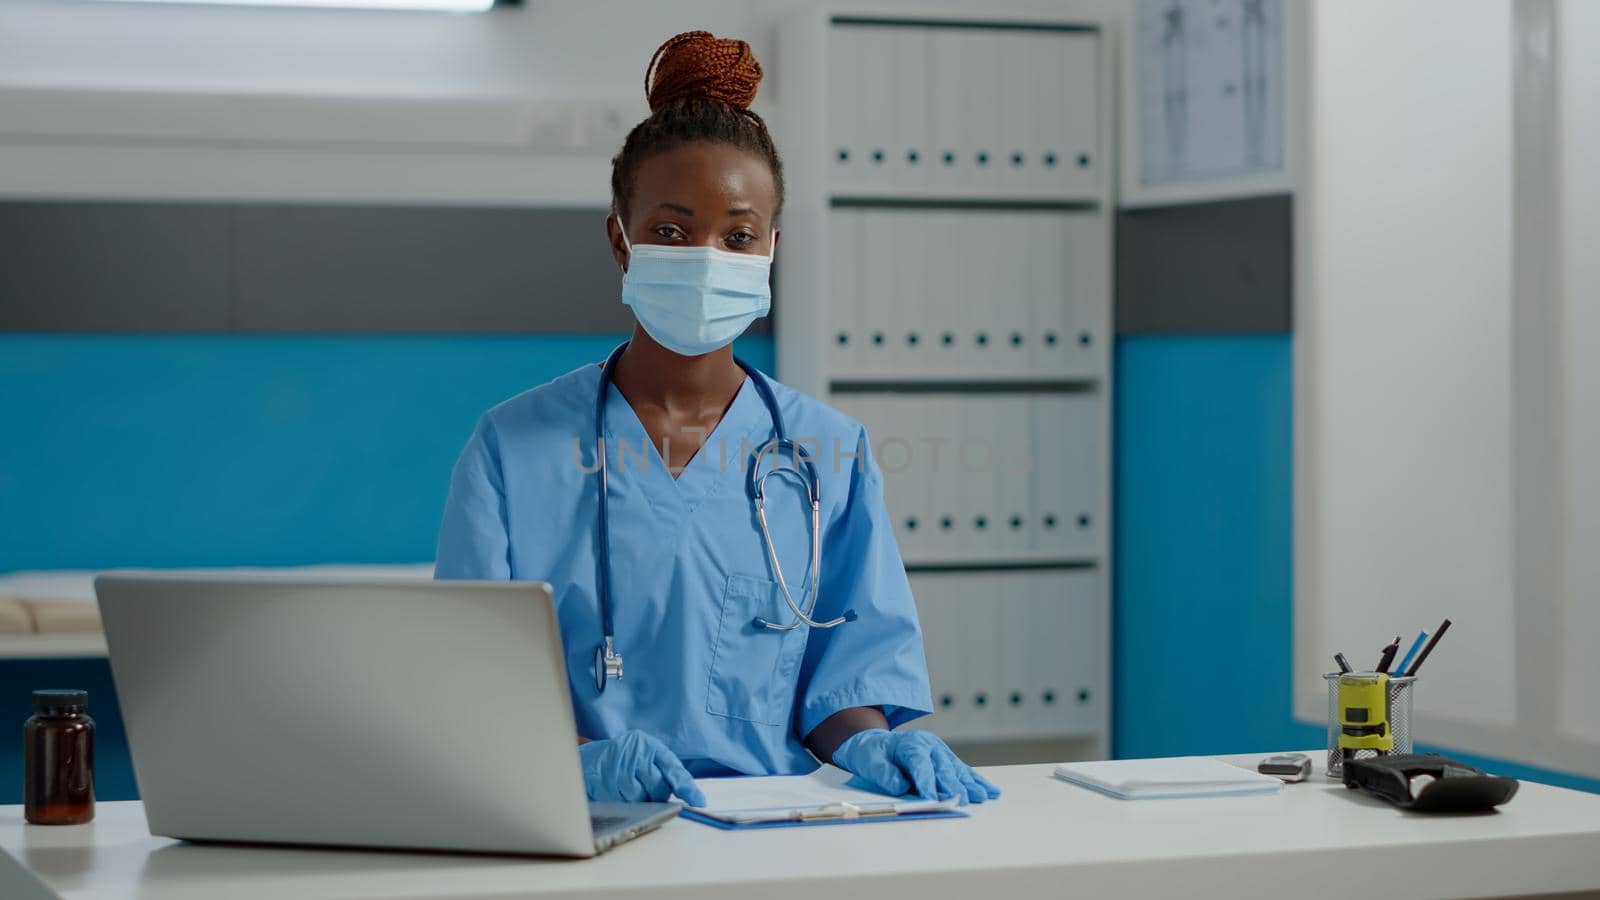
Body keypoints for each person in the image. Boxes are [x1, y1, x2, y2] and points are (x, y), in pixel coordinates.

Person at [436, 31, 998, 808]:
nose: (706, 256)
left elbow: (842, 679)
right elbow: (473, 686)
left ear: (770, 247)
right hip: (573, 823)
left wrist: (874, 740)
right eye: (671, 231)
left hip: (767, 830)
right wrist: (581, 765)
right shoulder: (511, 450)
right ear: (621, 241)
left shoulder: (827, 452)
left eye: (737, 235)